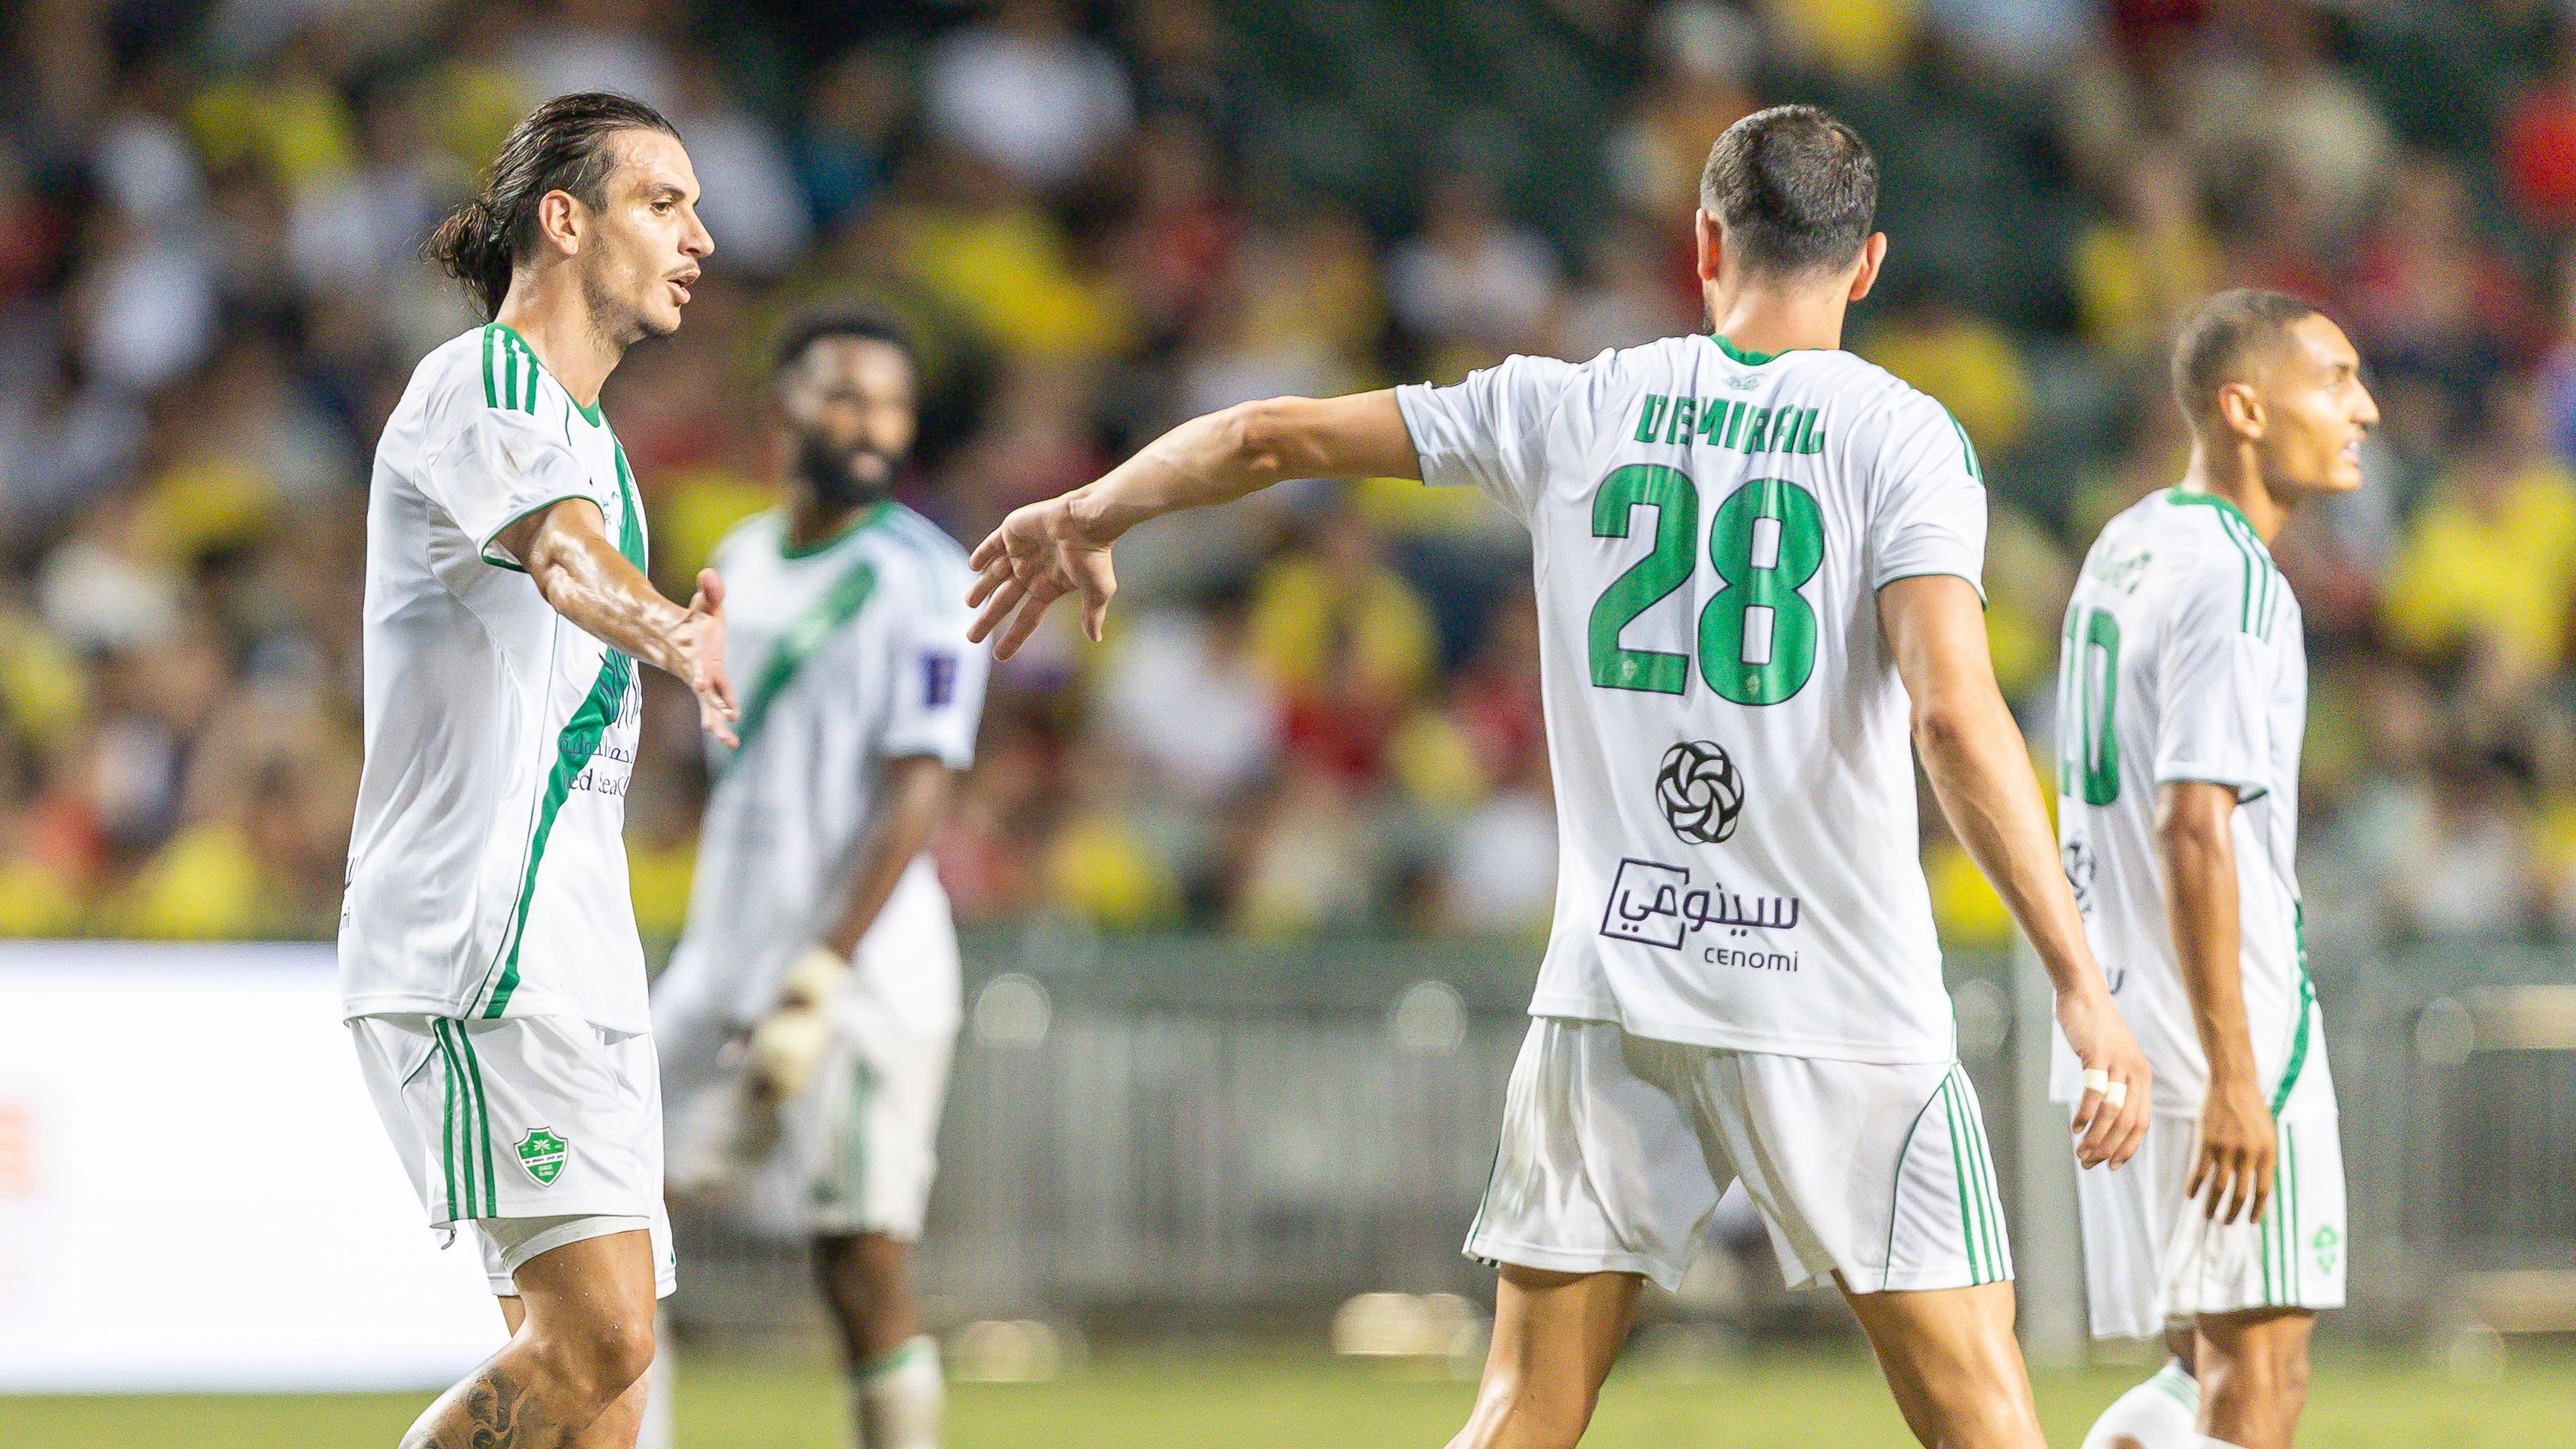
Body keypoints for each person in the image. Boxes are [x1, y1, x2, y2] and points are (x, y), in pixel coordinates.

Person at [965, 103, 2153, 1449]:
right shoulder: (1900, 436)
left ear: (1703, 242)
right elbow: (1950, 710)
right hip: (1838, 1002)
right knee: (1980, 1418)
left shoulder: (1577, 402)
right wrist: (2073, 976)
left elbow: (1268, 437)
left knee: (1524, 1408)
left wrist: (1093, 506)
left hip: (1615, 988)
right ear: (1867, 263)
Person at [340, 92, 729, 1449]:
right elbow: (560, 559)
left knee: (609, 1384)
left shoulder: (592, 439)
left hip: (572, 944)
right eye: (664, 204)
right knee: (599, 1336)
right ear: (563, 220)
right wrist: (671, 629)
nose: (702, 239)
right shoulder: (482, 384)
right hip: (477, 935)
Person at [648, 310, 989, 1449]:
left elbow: (919, 786)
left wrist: (822, 969)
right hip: (721, 954)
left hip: (861, 968)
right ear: (783, 407)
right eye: (845, 396)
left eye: (890, 405)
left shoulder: (925, 578)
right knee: (602, 1212)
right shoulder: (739, 557)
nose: (871, 424)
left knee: (857, 1258)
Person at [2055, 290, 2376, 1449]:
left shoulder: (2126, 542)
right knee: (2261, 1385)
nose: (2365, 410)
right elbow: (2193, 824)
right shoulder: (2238, 579)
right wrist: (2240, 1072)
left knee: (2198, 1366)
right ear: (2244, 408)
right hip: (2218, 1032)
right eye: (2334, 381)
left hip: (2122, 1027)